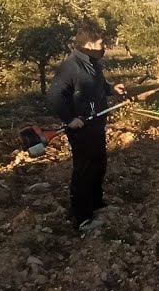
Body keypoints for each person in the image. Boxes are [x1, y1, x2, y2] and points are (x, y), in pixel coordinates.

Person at [46, 23, 127, 233]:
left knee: (99, 165)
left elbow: (97, 87)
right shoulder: (70, 66)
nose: (104, 47)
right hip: (81, 129)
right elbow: (55, 96)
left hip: (97, 125)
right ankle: (82, 217)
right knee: (84, 170)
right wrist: (70, 118)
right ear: (89, 44)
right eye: (101, 43)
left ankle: (97, 204)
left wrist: (111, 89)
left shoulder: (93, 63)